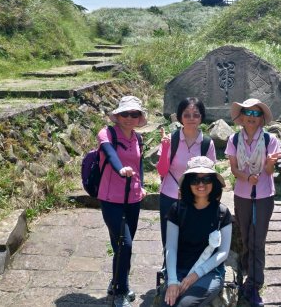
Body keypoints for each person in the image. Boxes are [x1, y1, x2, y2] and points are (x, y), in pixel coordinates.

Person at [224, 98, 281, 307]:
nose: (251, 117)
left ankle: (255, 284)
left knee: (257, 241)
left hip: (264, 195)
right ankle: (245, 275)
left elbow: (269, 172)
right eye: (248, 112)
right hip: (242, 194)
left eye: (256, 114)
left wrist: (269, 164)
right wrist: (246, 178)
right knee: (245, 237)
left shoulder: (269, 140)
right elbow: (233, 169)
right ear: (240, 117)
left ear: (262, 119)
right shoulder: (234, 140)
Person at [97, 95, 147, 307]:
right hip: (110, 198)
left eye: (134, 114)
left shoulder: (138, 139)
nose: (129, 117)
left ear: (139, 118)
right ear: (117, 116)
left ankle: (117, 282)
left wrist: (142, 185)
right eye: (124, 113)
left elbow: (139, 164)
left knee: (122, 246)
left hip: (133, 198)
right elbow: (109, 154)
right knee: (124, 245)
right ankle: (120, 291)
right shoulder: (106, 133)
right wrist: (120, 169)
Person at [162, 156, 232, 307]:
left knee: (184, 305)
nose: (201, 184)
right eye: (195, 179)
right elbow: (171, 247)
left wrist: (196, 274)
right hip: (180, 269)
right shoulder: (177, 209)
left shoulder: (222, 212)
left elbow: (223, 252)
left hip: (209, 273)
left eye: (206, 179)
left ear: (214, 182)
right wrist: (172, 281)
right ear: (188, 183)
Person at [156, 97, 216, 249]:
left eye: (196, 115)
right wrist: (164, 149)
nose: (191, 118)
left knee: (191, 238)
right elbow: (162, 171)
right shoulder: (171, 139)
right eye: (186, 114)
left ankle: (188, 271)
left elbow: (210, 174)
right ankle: (169, 270)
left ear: (201, 117)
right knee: (169, 239)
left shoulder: (207, 143)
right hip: (170, 195)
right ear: (180, 116)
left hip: (197, 196)